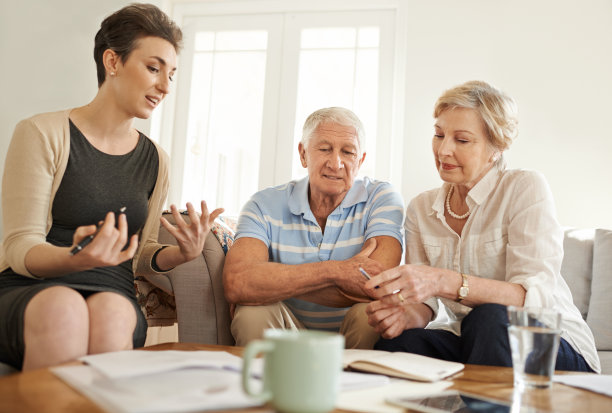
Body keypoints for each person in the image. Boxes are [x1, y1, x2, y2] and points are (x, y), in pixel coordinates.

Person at [0, 3, 223, 371]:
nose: (165, 86)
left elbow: (140, 253)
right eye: (153, 68)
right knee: (63, 309)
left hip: (111, 290)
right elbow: (19, 245)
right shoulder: (41, 133)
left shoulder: (156, 158)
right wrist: (75, 257)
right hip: (30, 290)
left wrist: (181, 254)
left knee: (112, 315)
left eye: (172, 74)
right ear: (113, 62)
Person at [364, 80, 600, 373]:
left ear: (496, 147)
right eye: (439, 135)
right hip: (476, 341)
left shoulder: (524, 187)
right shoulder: (421, 208)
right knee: (399, 345)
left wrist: (442, 280)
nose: (444, 150)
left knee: (488, 318)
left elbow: (532, 297)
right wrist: (406, 315)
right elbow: (430, 303)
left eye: (461, 140)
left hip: (549, 343)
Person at [223, 107, 404, 349]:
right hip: (288, 331)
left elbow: (378, 285)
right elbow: (238, 282)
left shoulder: (381, 197)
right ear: (303, 154)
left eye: (348, 152)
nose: (336, 163)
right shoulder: (263, 204)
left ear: (360, 161)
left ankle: (355, 387)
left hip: (350, 334)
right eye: (325, 149)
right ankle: (264, 387)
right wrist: (336, 271)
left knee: (369, 313)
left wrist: (271, 282)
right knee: (251, 313)